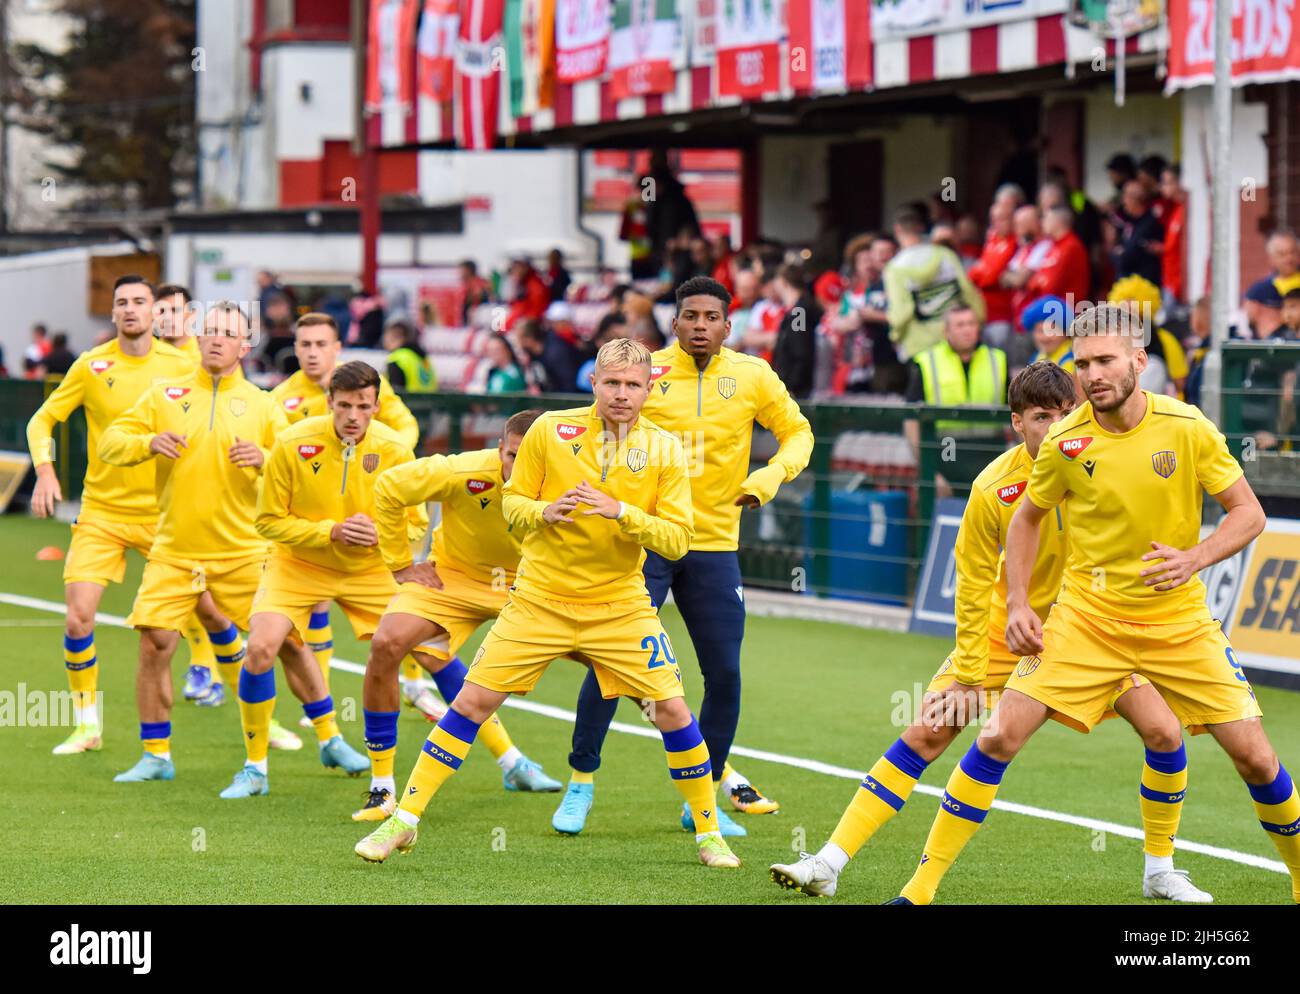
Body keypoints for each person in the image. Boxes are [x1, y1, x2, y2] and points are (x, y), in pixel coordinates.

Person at [889, 303, 1300, 907]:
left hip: (1177, 620)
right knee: (997, 735)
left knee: (1257, 760)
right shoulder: (1065, 436)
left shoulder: (1186, 427)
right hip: (1086, 621)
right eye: (1082, 364)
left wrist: (1196, 557)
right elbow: (1027, 517)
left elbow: (1250, 513)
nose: (1093, 374)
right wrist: (1022, 603)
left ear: (1139, 361)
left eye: (1106, 360)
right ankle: (918, 891)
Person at [772, 362, 1208, 902]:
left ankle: (1159, 870)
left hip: (1093, 629)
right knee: (931, 731)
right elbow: (974, 584)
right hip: (1009, 634)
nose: (1055, 427)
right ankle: (829, 862)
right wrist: (974, 674)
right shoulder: (993, 488)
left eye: (1065, 414)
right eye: (1041, 417)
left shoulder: (1105, 463)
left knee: (1164, 733)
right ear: (1017, 423)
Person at [355, 338, 745, 870]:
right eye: (612, 383)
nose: (622, 395)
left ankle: (708, 833)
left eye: (634, 384)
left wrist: (621, 512)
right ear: (594, 383)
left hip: (620, 606)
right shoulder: (550, 431)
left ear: (651, 386)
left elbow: (678, 540)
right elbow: (512, 504)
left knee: (672, 711)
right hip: (538, 600)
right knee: (471, 703)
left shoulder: (665, 450)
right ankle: (404, 821)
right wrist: (544, 512)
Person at [554, 276, 813, 837]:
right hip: (644, 542)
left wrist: (767, 477)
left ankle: (705, 796)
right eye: (689, 316)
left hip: (715, 545)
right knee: (611, 666)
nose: (700, 325)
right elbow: (594, 425)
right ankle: (581, 783)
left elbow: (799, 433)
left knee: (724, 673)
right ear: (674, 323)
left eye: (711, 317)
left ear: (727, 324)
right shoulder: (647, 371)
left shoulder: (753, 376)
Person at [98, 303, 334, 784]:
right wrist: (146, 444)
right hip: (173, 550)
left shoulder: (265, 405)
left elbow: (302, 474)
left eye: (228, 333)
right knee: (154, 645)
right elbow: (110, 442)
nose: (215, 339)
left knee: (288, 642)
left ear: (244, 345)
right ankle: (156, 755)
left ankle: (332, 739)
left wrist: (266, 459)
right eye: (208, 331)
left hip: (243, 552)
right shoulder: (164, 394)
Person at [350, 407, 563, 820]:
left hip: (529, 586)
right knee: (386, 643)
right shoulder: (464, 471)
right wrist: (399, 564)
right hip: (453, 580)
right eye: (511, 456)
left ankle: (711, 780)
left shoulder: (568, 481)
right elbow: (391, 486)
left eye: (529, 457)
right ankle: (382, 789)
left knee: (618, 669)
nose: (517, 467)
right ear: (499, 448)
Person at [26, 276, 196, 755]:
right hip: (101, 511)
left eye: (140, 301)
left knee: (194, 620)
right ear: (114, 313)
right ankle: (86, 726)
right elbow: (43, 419)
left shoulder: (183, 365)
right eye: (122, 302)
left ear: (154, 311)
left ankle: (254, 719)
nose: (131, 310)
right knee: (78, 619)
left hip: (165, 514)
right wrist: (44, 470)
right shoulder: (91, 365)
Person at [269, 312, 431, 717]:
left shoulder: (367, 384)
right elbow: (276, 462)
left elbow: (404, 427)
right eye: (304, 345)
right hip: (315, 525)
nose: (312, 353)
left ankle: (413, 681)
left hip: (370, 511)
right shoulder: (280, 399)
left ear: (336, 348)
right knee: (300, 620)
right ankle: (321, 708)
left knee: (406, 613)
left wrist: (387, 464)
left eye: (320, 344)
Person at [904, 304, 1008, 497]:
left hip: (991, 461)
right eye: (960, 325)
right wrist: (929, 472)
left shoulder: (998, 360)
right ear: (946, 331)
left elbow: (1017, 414)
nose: (967, 329)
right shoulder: (927, 362)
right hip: (946, 457)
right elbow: (911, 422)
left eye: (971, 323)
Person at [885, 208, 986, 360]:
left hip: (919, 345)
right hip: (954, 340)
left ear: (897, 230)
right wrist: (977, 322)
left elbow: (901, 311)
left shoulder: (895, 268)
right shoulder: (945, 255)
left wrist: (895, 335)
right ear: (920, 228)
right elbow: (968, 293)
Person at [968, 200, 1018, 349]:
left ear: (1012, 219)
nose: (997, 223)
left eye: (1002, 218)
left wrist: (984, 272)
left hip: (1002, 315)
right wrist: (984, 272)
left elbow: (990, 278)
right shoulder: (993, 240)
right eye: (994, 219)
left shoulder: (1014, 242)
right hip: (985, 314)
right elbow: (972, 275)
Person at [771, 263, 823, 398]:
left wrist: (793, 385)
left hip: (796, 391)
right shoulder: (797, 310)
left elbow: (801, 350)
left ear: (783, 282)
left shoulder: (799, 312)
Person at [1021, 295, 1084, 400]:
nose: (1045, 337)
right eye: (1039, 331)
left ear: (1065, 331)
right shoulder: (1036, 357)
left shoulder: (1074, 358)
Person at [1107, 180, 1164, 286]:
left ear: (1136, 199)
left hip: (1144, 287)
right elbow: (1114, 255)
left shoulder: (1150, 223)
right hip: (1128, 285)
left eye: (1126, 197)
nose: (1123, 201)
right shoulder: (1129, 222)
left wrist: (1121, 253)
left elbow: (1126, 257)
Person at [1158, 165, 1189, 305]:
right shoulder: (1176, 210)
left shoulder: (1185, 211)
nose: (1163, 187)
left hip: (1178, 284)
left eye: (1168, 182)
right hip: (1169, 282)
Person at [575, 311, 628, 391]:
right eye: (609, 340)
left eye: (620, 341)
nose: (614, 346)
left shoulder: (630, 364)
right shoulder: (589, 366)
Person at [383, 318, 437, 393]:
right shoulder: (425, 359)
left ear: (395, 336)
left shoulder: (397, 358)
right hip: (430, 403)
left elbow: (395, 392)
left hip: (408, 403)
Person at [154, 283, 200, 362]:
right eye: (162, 311)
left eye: (175, 310)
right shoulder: (144, 355)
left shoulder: (206, 356)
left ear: (192, 315)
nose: (167, 317)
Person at [504, 258, 551, 330]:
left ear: (525, 267)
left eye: (517, 267)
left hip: (530, 329)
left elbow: (534, 315)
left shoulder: (535, 285)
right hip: (518, 324)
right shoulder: (522, 283)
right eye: (513, 268)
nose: (514, 271)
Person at [1261, 230, 1300, 298]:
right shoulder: (1260, 291)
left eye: (1292, 252)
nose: (1289, 259)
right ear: (1271, 259)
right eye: (1282, 254)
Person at [458, 259, 493, 324]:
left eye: (461, 269)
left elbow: (479, 296)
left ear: (468, 270)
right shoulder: (465, 283)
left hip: (477, 317)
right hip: (467, 317)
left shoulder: (477, 282)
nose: (459, 272)